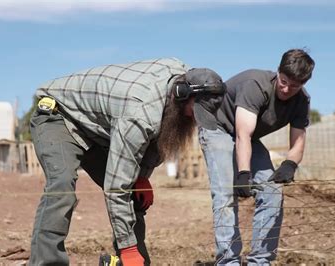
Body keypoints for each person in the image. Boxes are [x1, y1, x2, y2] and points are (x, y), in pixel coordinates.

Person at [28, 57, 226, 265]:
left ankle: (133, 262)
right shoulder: (139, 113)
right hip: (60, 116)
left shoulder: (185, 79)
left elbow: (159, 136)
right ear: (181, 95)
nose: (195, 119)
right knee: (62, 188)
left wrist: (140, 177)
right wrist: (127, 247)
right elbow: (116, 188)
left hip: (99, 129)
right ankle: (47, 261)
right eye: (196, 112)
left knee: (134, 194)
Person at [198, 49, 315, 265]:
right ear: (278, 72)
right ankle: (228, 261)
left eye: (295, 86)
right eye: (283, 81)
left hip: (247, 138)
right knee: (226, 193)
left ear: (304, 83)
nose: (287, 89)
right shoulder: (256, 85)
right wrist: (244, 173)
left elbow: (298, 140)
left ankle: (260, 260)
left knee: (272, 191)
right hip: (219, 127)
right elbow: (243, 134)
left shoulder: (302, 101)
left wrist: (290, 164)